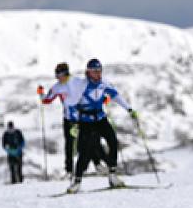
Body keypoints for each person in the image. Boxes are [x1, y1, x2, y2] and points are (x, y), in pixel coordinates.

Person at [64, 58, 138, 193]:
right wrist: (73, 123)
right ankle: (77, 181)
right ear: (88, 72)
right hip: (86, 121)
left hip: (100, 118)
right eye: (95, 71)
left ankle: (113, 175)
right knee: (85, 152)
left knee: (113, 141)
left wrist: (129, 109)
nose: (98, 74)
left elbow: (116, 96)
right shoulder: (81, 85)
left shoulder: (104, 83)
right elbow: (70, 104)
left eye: (100, 71)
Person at [38, 62, 107, 177]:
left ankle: (97, 164)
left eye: (60, 75)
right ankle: (69, 170)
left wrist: (102, 98)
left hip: (82, 117)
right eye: (57, 76)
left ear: (66, 73)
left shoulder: (77, 82)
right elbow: (47, 100)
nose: (59, 78)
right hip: (68, 119)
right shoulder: (57, 87)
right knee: (69, 145)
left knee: (90, 141)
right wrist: (41, 94)